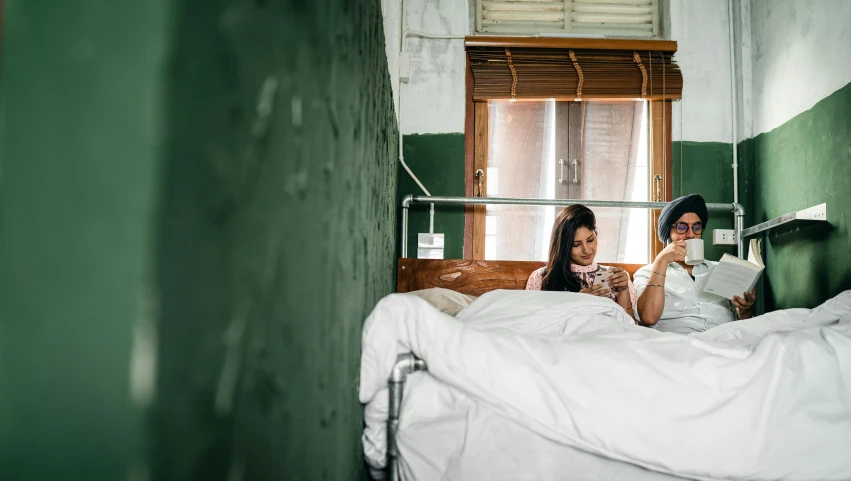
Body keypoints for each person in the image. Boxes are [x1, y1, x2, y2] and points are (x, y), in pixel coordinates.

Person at [634, 194, 757, 334]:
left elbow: (742, 327)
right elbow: (648, 318)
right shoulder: (647, 273)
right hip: (677, 344)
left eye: (696, 228)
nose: (691, 235)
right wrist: (661, 261)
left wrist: (744, 310)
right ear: (667, 233)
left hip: (724, 340)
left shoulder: (720, 269)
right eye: (681, 227)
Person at [526, 204, 638, 322]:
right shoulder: (541, 277)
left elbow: (630, 327)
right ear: (564, 246)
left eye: (590, 240)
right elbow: (534, 323)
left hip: (608, 338)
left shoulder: (616, 277)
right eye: (576, 244)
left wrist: (623, 291)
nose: (586, 250)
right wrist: (578, 302)